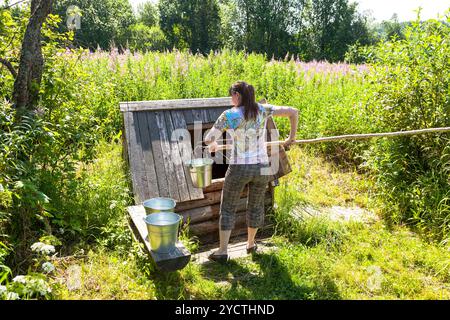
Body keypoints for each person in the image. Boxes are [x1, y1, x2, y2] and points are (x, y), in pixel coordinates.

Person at [204, 80, 299, 263]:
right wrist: (290, 138)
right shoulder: (263, 109)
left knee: (228, 207)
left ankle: (223, 251)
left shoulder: (229, 115)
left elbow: (209, 138)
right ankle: (250, 244)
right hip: (262, 167)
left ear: (237, 95)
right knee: (256, 205)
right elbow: (293, 112)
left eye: (231, 94)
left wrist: (213, 144)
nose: (230, 98)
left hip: (240, 167)